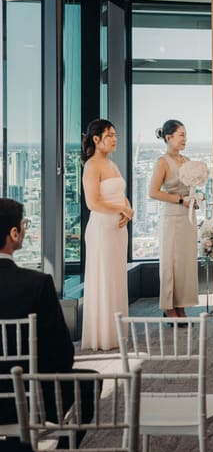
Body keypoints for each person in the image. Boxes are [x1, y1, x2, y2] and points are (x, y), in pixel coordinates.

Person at [0, 198, 96, 452]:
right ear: (14, 234)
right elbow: (63, 354)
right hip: (30, 397)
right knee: (90, 382)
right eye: (23, 225)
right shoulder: (37, 284)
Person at [81, 119, 132, 350]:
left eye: (115, 134)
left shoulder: (112, 164)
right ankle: (102, 335)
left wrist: (127, 209)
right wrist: (122, 209)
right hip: (101, 228)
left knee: (116, 277)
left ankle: (116, 332)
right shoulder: (92, 166)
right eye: (109, 135)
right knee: (103, 276)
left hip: (118, 229)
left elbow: (121, 194)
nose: (115, 139)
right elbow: (93, 202)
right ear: (96, 139)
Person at [149, 119, 199, 319]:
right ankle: (169, 306)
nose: (185, 139)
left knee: (184, 262)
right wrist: (180, 200)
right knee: (171, 261)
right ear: (169, 138)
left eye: (185, 135)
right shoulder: (163, 162)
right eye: (181, 135)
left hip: (187, 216)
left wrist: (195, 198)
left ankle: (181, 304)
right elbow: (153, 192)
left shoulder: (186, 161)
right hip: (171, 216)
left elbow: (191, 188)